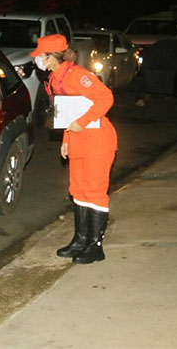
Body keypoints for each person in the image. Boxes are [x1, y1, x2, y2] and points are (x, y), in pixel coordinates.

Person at [31, 34, 118, 264]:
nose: (37, 60)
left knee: (94, 192)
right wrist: (67, 140)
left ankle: (95, 246)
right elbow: (67, 112)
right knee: (78, 190)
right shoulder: (55, 78)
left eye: (40, 56)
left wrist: (83, 121)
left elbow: (105, 97)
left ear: (50, 57)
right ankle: (80, 240)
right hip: (79, 141)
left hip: (97, 141)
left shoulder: (77, 76)